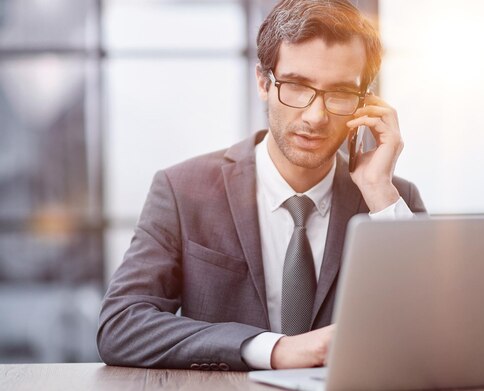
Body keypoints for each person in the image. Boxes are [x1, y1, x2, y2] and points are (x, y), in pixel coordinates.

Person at [97, 0, 426, 371]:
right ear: (263, 82)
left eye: (340, 94)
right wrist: (273, 349)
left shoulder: (393, 199)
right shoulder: (182, 190)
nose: (315, 117)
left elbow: (435, 335)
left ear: (365, 103)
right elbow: (120, 326)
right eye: (297, 86)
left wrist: (380, 193)